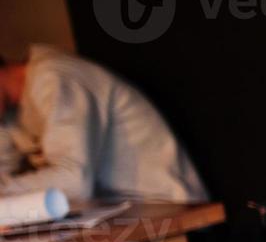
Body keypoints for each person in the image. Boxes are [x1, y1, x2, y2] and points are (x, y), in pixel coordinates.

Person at [0, 45, 208, 204]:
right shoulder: (9, 111)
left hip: (168, 210)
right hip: (116, 217)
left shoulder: (56, 78)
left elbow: (74, 183)